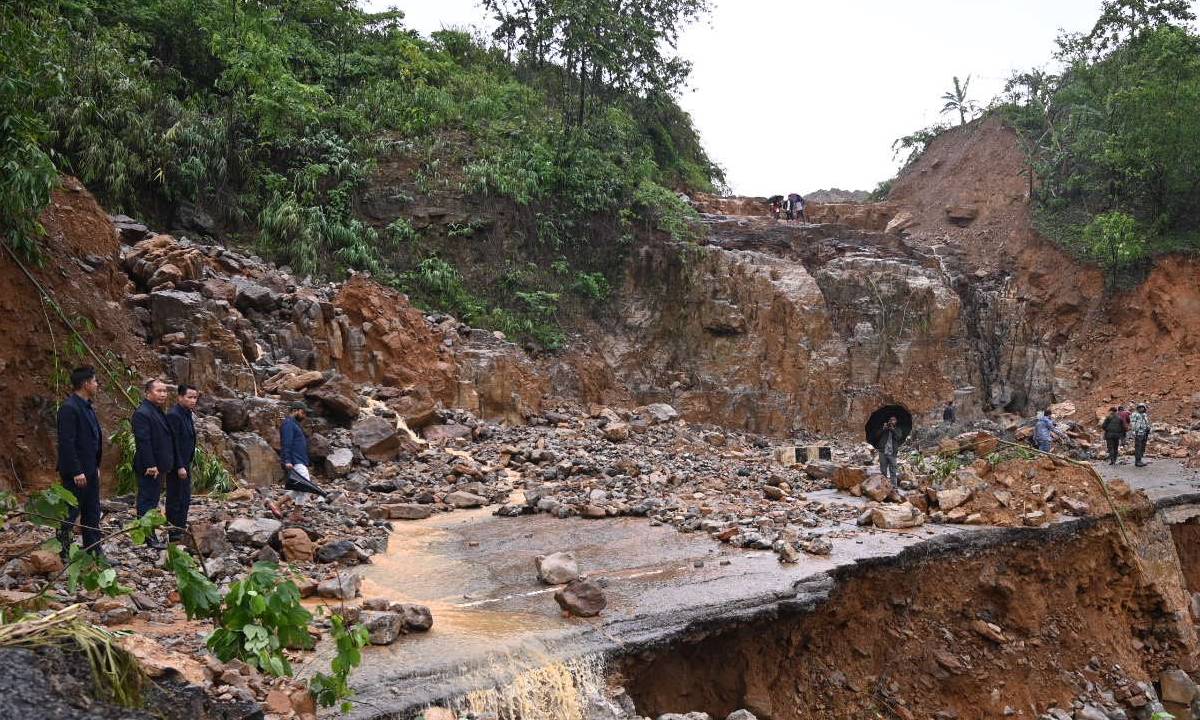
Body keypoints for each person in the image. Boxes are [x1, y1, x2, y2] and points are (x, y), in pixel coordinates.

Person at [56, 366, 104, 559]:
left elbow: (92, 440)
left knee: (92, 511)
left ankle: (94, 550)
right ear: (85, 384)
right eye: (94, 381)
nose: (97, 385)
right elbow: (66, 443)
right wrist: (76, 470)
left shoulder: (87, 406)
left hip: (90, 470)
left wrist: (96, 466)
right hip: (76, 473)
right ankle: (64, 551)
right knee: (70, 512)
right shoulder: (69, 408)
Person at [133, 378, 177, 549]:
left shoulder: (157, 411)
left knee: (152, 500)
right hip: (150, 468)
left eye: (165, 391)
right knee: (147, 501)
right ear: (147, 393)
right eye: (158, 391)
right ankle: (147, 536)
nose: (163, 394)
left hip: (160, 466)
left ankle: (149, 533)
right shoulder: (142, 413)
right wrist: (150, 464)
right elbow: (143, 441)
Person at [166, 384, 199, 541]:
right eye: (190, 397)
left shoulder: (186, 413)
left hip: (185, 462)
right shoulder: (174, 415)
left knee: (184, 496)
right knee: (176, 497)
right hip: (177, 465)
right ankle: (173, 530)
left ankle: (180, 526)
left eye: (195, 397)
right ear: (180, 397)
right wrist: (179, 465)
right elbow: (173, 443)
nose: (193, 400)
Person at [280, 401, 311, 484]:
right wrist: (288, 461)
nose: (304, 416)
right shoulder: (289, 424)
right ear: (294, 411)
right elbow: (286, 443)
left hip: (299, 461)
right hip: (296, 462)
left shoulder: (294, 424)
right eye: (303, 412)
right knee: (305, 487)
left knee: (298, 489)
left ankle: (287, 497)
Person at [873, 416, 903, 481]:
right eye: (890, 420)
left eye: (893, 420)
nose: (892, 421)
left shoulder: (898, 429)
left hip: (892, 453)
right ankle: (884, 486)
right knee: (883, 470)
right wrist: (883, 429)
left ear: (896, 421)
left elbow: (898, 437)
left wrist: (892, 429)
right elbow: (876, 436)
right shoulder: (884, 429)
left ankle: (894, 487)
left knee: (893, 471)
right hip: (883, 452)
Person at [1130, 403, 1151, 467]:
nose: (1141, 408)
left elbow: (1146, 422)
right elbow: (1133, 423)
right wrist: (1134, 431)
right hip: (1138, 433)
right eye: (1140, 407)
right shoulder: (1135, 415)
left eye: (1142, 407)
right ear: (1138, 408)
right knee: (1138, 447)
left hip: (1144, 432)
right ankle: (1137, 461)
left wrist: (1148, 427)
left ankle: (1140, 459)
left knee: (1142, 447)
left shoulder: (1144, 415)